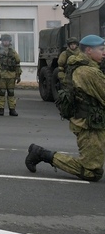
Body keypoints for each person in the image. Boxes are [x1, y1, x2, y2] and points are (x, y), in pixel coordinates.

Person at [25, 34, 105, 182]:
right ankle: (42, 154)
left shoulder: (86, 68)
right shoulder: (87, 72)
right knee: (92, 172)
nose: (104, 52)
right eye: (101, 49)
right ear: (88, 51)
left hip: (92, 121)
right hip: (89, 125)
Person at [0, 33, 22, 116]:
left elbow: (17, 63)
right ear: (2, 41)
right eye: (4, 40)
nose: (6, 42)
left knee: (11, 93)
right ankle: (1, 109)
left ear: (9, 41)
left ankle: (12, 109)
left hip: (11, 75)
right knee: (1, 92)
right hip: (1, 75)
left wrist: (18, 75)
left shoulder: (13, 51)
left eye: (7, 40)